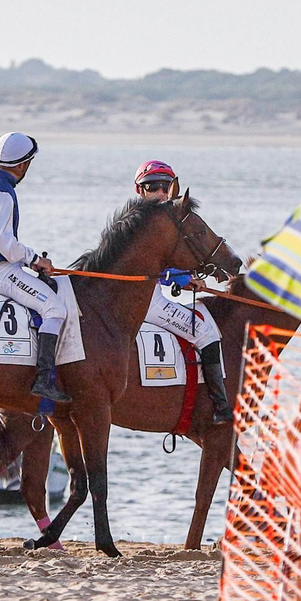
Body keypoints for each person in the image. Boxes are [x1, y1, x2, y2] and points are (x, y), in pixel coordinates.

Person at [0, 132, 70, 404]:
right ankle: (44, 379)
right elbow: (3, 241)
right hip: (0, 271)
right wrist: (35, 259)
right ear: (23, 164)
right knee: (56, 309)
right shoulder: (3, 191)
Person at [131, 160, 231, 423]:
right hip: (146, 301)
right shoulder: (149, 224)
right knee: (206, 331)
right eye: (152, 186)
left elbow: (157, 267)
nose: (160, 193)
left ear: (173, 189)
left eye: (165, 187)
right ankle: (220, 407)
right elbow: (151, 268)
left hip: (145, 295)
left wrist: (185, 279)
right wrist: (183, 278)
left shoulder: (134, 220)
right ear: (139, 190)